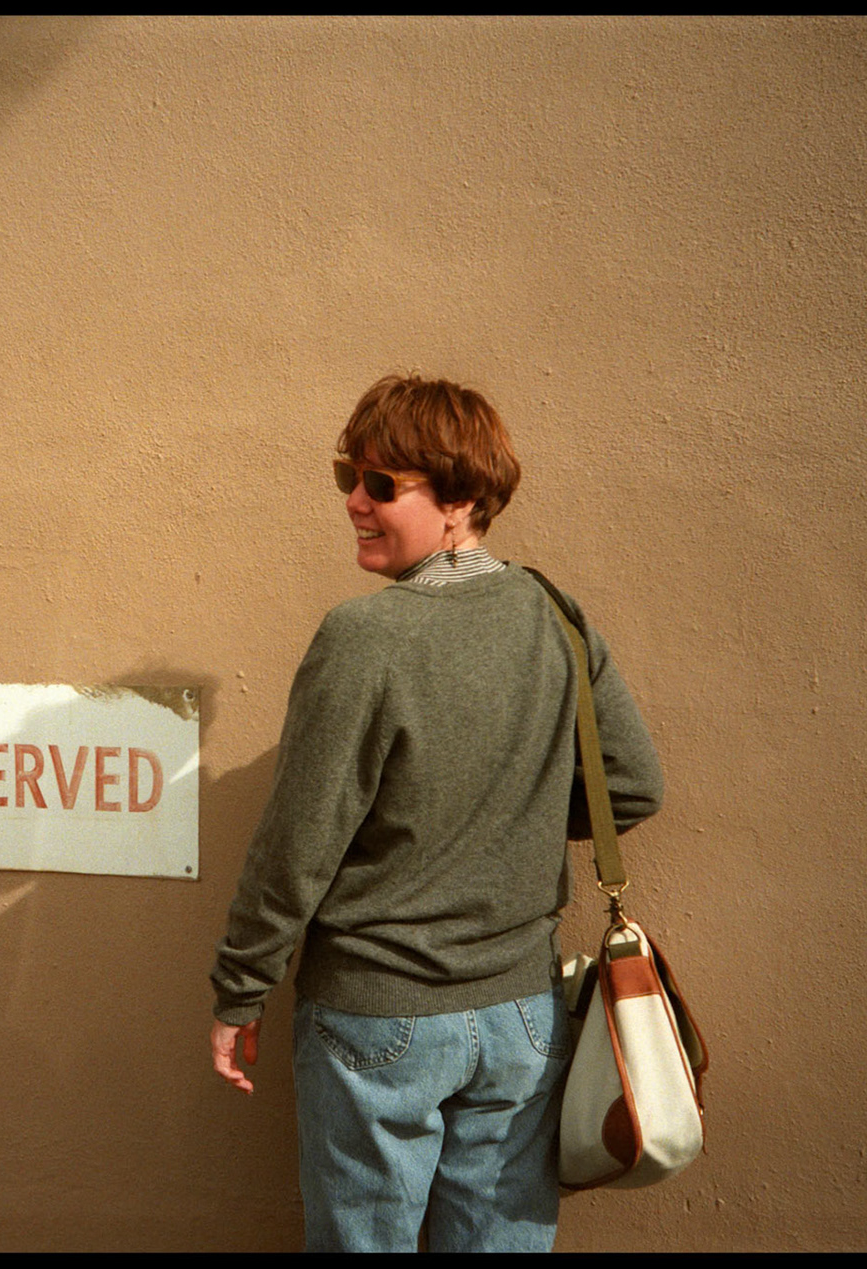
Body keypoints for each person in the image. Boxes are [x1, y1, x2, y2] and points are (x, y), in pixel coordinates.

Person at [207, 374, 663, 1252]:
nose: (354, 500)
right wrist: (509, 814)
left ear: (459, 499)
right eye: (350, 474)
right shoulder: (555, 619)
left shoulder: (365, 637)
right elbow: (632, 785)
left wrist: (240, 987)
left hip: (378, 1017)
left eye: (382, 485)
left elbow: (297, 845)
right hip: (522, 1019)